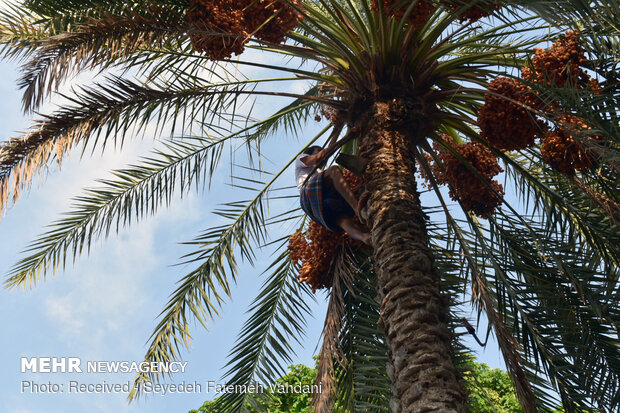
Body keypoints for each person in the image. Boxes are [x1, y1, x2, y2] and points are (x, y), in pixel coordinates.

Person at [295, 145, 371, 245]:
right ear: (310, 152)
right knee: (334, 170)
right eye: (318, 150)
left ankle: (364, 237)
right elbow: (316, 159)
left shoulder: (320, 174)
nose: (321, 152)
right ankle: (357, 208)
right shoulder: (301, 158)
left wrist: (359, 186)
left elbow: (344, 191)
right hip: (307, 193)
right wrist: (344, 137)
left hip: (314, 206)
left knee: (342, 220)